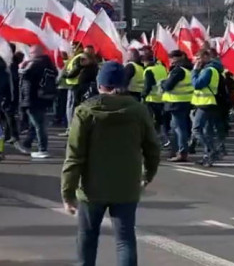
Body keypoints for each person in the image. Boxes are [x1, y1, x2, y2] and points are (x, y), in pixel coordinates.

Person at [61, 61, 160, 266]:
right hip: (126, 187)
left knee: (87, 238)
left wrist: (67, 192)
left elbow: (74, 156)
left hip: (91, 188)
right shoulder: (138, 111)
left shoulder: (85, 111)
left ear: (99, 84)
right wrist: (147, 175)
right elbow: (152, 148)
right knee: (125, 240)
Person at [17, 45, 58, 159]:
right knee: (34, 123)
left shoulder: (36, 64)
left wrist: (21, 66)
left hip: (33, 98)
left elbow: (24, 74)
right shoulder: (48, 63)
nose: (29, 56)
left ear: (36, 53)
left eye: (31, 53)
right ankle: (27, 143)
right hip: (43, 98)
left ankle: (42, 149)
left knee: (38, 124)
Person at [161, 50, 194, 163]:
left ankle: (182, 152)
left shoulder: (178, 71)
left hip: (176, 103)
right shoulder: (187, 69)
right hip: (184, 102)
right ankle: (177, 151)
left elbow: (168, 86)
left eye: (172, 57)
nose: (170, 60)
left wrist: (162, 83)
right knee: (177, 127)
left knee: (179, 128)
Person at [191, 50, 221, 167]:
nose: (196, 61)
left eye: (198, 58)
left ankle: (211, 150)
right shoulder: (210, 69)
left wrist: (195, 71)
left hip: (206, 103)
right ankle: (208, 156)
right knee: (207, 132)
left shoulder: (208, 70)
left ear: (205, 57)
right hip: (206, 103)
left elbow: (197, 84)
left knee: (196, 129)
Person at [142, 47, 169, 147]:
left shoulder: (148, 70)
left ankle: (157, 139)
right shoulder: (161, 68)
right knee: (160, 121)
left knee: (150, 122)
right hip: (162, 98)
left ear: (145, 61)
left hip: (151, 99)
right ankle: (164, 138)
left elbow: (148, 85)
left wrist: (143, 95)